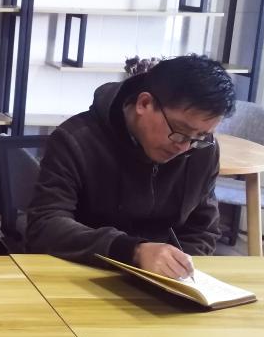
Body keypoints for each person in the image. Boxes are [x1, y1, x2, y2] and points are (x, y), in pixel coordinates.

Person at [26, 54, 236, 279]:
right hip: (83, 274)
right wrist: (132, 251)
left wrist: (179, 271)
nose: (184, 147)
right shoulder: (75, 140)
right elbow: (45, 225)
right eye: (180, 130)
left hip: (160, 283)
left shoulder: (202, 151)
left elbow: (203, 228)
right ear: (144, 103)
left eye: (200, 136)